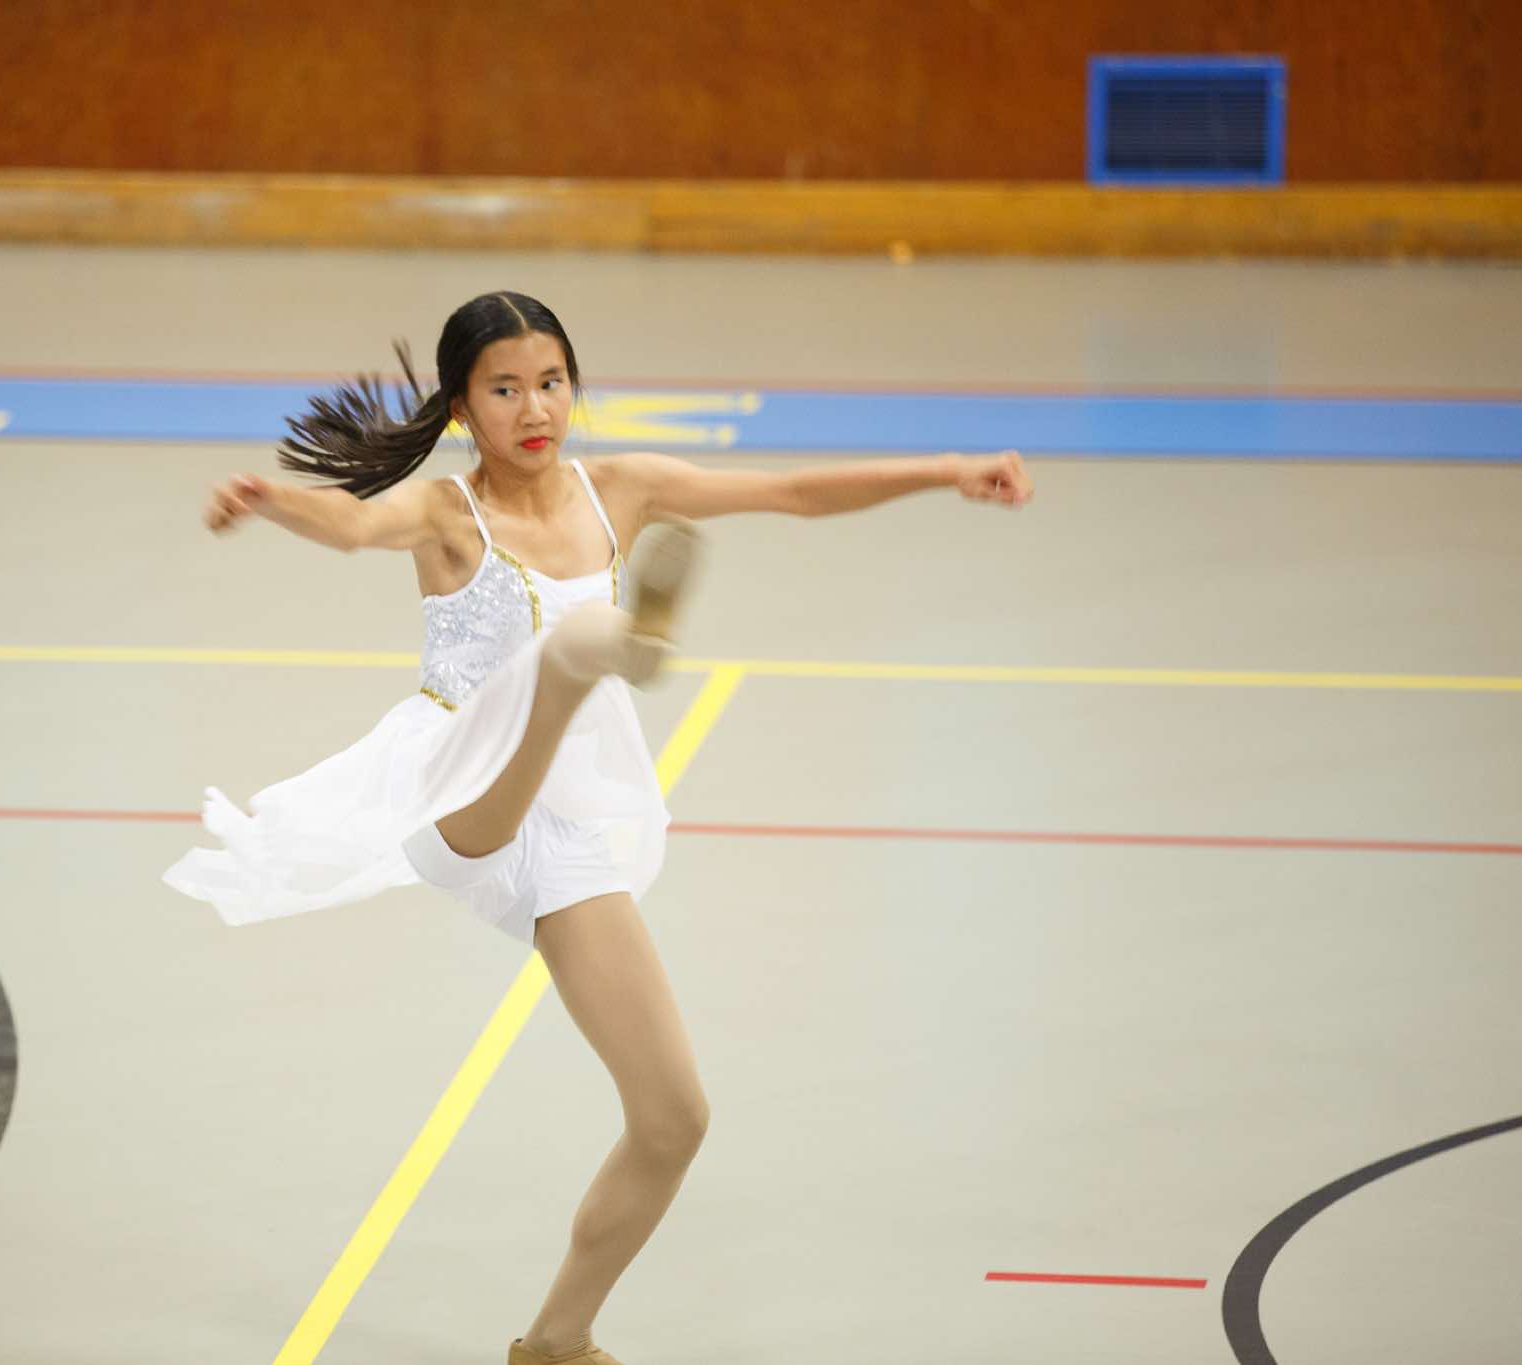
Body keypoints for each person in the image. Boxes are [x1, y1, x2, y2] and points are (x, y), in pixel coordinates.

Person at [165, 290, 1033, 1364]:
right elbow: (351, 523)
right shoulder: (445, 513)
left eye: (551, 382)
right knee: (567, 654)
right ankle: (609, 647)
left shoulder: (619, 488)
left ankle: (557, 1340)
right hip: (464, 786)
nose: (534, 409)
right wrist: (268, 500)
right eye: (504, 389)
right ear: (461, 407)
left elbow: (793, 492)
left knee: (673, 1117)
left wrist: (946, 471)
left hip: (569, 822)